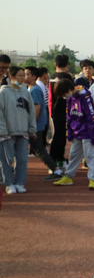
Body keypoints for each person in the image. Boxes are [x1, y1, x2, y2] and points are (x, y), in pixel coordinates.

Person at [52, 80, 94, 189]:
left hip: (88, 132)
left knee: (90, 156)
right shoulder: (70, 98)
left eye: (64, 94)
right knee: (73, 155)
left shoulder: (85, 97)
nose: (64, 97)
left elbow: (91, 116)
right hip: (76, 131)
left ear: (69, 90)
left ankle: (93, 179)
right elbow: (69, 115)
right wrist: (69, 132)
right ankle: (68, 176)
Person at [0, 66, 37, 194]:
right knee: (6, 160)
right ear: (11, 77)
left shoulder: (26, 92)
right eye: (20, 76)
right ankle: (8, 183)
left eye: (24, 75)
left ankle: (19, 182)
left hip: (23, 132)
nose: (23, 78)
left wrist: (32, 129)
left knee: (22, 159)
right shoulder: (3, 92)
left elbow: (31, 112)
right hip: (7, 133)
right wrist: (2, 130)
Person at [24, 66, 63, 181]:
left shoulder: (35, 90)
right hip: (37, 124)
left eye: (26, 74)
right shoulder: (31, 88)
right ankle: (56, 170)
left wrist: (31, 125)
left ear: (34, 76)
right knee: (37, 149)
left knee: (38, 149)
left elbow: (36, 108)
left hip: (36, 125)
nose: (24, 77)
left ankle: (56, 170)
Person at [49, 54, 73, 167]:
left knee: (58, 134)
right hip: (65, 109)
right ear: (67, 64)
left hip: (54, 109)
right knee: (61, 136)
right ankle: (54, 159)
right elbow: (72, 93)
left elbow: (50, 95)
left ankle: (58, 157)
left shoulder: (52, 76)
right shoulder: (67, 77)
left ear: (55, 64)